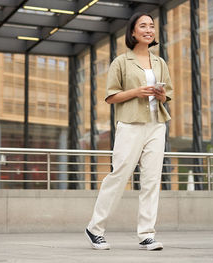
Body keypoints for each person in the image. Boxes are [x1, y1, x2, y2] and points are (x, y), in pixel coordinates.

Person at [84, 12, 173, 251]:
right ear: (132, 32)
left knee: (152, 180)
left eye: (151, 26)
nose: (148, 29)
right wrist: (137, 91)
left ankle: (146, 234)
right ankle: (95, 228)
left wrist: (161, 95)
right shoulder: (121, 62)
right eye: (142, 26)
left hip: (156, 125)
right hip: (131, 124)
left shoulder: (160, 62)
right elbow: (111, 96)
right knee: (119, 176)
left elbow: (168, 94)